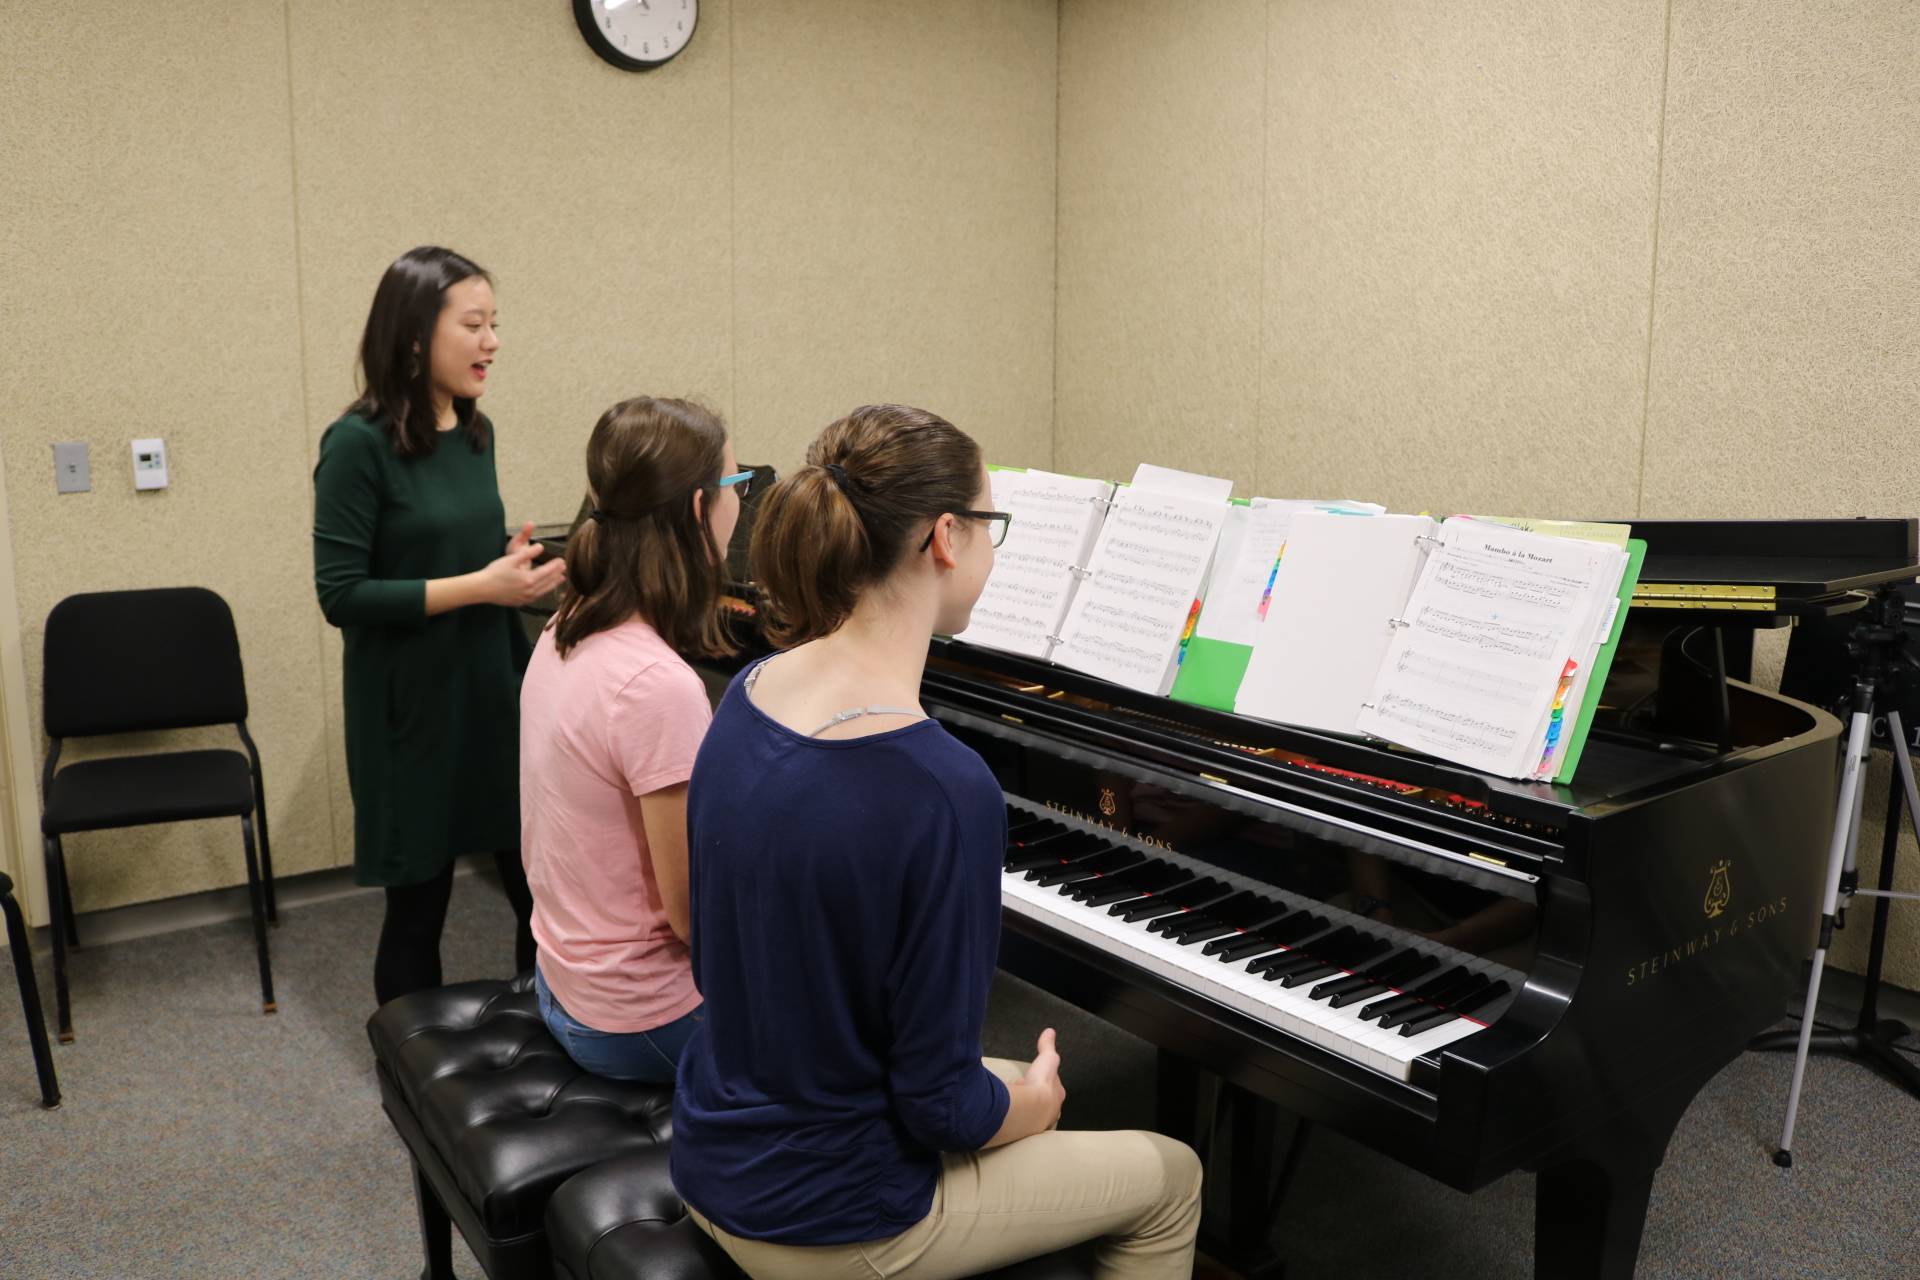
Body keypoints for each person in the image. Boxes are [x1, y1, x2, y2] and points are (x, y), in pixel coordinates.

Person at [671, 404, 1203, 1279]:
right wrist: (1032, 1110)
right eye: (992, 524)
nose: (994, 548)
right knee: (1169, 1175)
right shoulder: (941, 787)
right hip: (830, 1219)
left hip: (711, 1147)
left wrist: (1014, 1097)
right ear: (946, 538)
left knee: (1015, 1080)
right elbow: (940, 1109)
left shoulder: (752, 691)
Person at [313, 245, 558, 1006]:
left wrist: (507, 568)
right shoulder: (356, 444)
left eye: (495, 324)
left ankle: (543, 1040)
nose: (493, 342)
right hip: (409, 708)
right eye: (474, 324)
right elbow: (342, 594)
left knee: (538, 896)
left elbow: (448, 551)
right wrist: (481, 584)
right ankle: (405, 1060)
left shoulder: (476, 432)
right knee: (419, 911)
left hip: (488, 688)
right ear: (416, 335)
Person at [520, 396, 752, 1082]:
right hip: (642, 1021)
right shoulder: (656, 683)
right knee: (856, 1014)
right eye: (737, 484)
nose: (743, 501)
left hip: (562, 982)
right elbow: (694, 921)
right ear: (699, 508)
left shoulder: (566, 624)